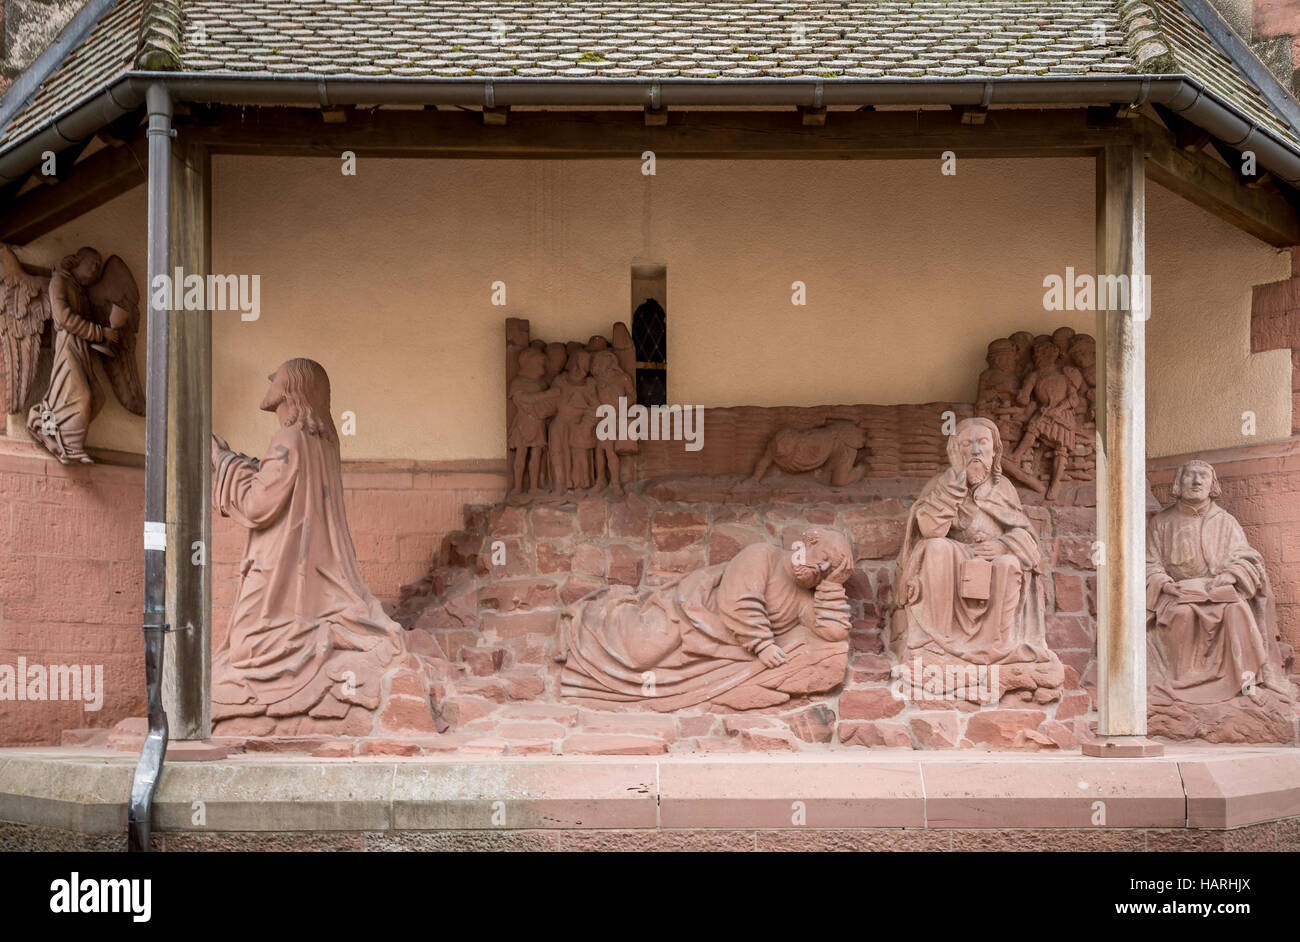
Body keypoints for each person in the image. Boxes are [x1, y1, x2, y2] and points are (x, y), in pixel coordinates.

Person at [210, 358, 412, 732]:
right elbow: (277, 484)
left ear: (290, 388)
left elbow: (258, 504)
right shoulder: (322, 439)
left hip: (277, 565)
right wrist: (244, 463)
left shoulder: (289, 439)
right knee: (249, 644)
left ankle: (308, 645)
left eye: (277, 376)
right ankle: (316, 633)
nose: (270, 380)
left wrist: (222, 462)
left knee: (245, 648)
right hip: (299, 563)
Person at [561, 527, 854, 710]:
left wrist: (832, 586)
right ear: (809, 542)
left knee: (648, 664)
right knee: (640, 654)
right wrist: (763, 644)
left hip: (721, 646)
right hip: (691, 616)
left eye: (829, 568)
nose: (822, 566)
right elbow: (739, 600)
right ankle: (592, 617)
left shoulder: (805, 598)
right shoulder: (762, 555)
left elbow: (832, 632)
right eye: (823, 556)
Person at [893, 417, 1061, 697]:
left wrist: (1003, 545)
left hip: (994, 559)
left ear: (994, 451)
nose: (975, 451)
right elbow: (930, 530)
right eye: (966, 444)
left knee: (1010, 564)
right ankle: (937, 643)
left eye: (982, 443)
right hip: (955, 556)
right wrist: (955, 484)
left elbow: (1028, 540)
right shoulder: (942, 483)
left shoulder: (1003, 488)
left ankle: (998, 646)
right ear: (955, 451)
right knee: (935, 548)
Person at [1146, 460, 1293, 704]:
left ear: (1212, 484)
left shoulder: (1226, 521)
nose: (1196, 481)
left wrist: (1232, 575)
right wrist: (1167, 584)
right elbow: (1150, 563)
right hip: (1179, 595)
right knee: (1181, 615)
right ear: (1178, 484)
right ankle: (1185, 685)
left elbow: (1247, 557)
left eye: (1203, 476)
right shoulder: (1161, 523)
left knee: (1237, 610)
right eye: (1190, 476)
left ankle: (1247, 683)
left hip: (1219, 592)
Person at [27, 248, 118, 464]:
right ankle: (70, 446)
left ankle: (46, 425)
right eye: (92, 263)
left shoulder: (80, 290)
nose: (96, 269)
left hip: (82, 348)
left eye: (98, 265)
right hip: (68, 345)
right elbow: (64, 318)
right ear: (77, 261)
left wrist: (105, 336)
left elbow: (85, 320)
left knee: (95, 397)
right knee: (83, 396)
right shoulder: (59, 281)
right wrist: (98, 332)